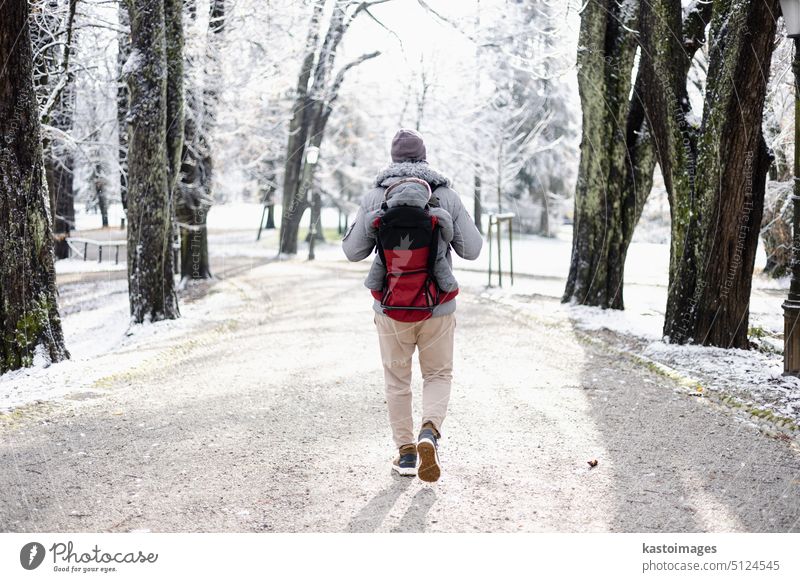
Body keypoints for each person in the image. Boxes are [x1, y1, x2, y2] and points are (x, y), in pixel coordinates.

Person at [342, 128, 482, 482]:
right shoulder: (444, 194)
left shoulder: (376, 196)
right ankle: (429, 434)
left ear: (392, 159)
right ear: (424, 158)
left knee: (397, 380)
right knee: (437, 374)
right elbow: (473, 249)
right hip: (437, 306)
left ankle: (405, 455)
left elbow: (352, 251)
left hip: (391, 308)